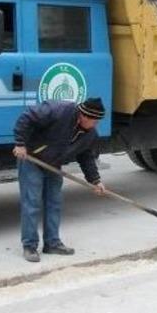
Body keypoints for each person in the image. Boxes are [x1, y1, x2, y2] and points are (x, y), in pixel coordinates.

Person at [13, 98, 107, 262]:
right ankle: (29, 246)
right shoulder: (59, 110)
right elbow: (27, 117)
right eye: (95, 120)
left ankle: (52, 243)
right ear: (84, 116)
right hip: (32, 160)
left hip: (54, 165)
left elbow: (86, 157)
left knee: (54, 203)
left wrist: (95, 180)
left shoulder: (90, 134)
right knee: (32, 203)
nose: (96, 124)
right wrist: (20, 143)